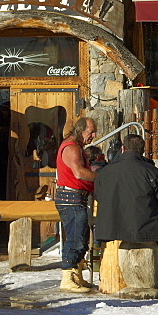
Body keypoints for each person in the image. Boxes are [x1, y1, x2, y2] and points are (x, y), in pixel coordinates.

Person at [93, 133, 158, 261]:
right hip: (146, 227)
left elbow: (98, 196)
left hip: (111, 226)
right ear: (142, 151)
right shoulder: (151, 171)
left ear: (123, 149)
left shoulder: (105, 171)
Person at [54, 116, 98, 293]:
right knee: (74, 238)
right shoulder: (72, 148)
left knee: (81, 236)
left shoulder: (75, 147)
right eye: (91, 132)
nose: (93, 136)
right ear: (80, 130)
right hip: (70, 198)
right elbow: (79, 173)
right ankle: (67, 277)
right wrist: (103, 178)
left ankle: (76, 274)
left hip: (75, 198)